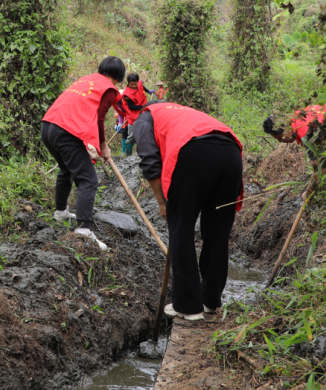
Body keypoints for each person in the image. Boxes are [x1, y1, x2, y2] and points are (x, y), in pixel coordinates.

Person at [134, 101, 244, 320]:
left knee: (181, 229)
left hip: (194, 152)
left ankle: (188, 306)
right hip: (231, 153)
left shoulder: (145, 118)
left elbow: (150, 162)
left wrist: (162, 202)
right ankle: (210, 301)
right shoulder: (182, 112)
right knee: (218, 232)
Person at [40, 56, 127, 252]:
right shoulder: (108, 89)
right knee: (88, 180)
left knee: (66, 169)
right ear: (119, 77)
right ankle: (83, 232)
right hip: (65, 131)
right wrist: (103, 145)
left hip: (48, 127)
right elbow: (99, 118)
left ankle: (61, 212)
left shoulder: (86, 80)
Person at [113, 72, 155, 156]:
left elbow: (142, 87)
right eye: (131, 84)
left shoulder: (139, 83)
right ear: (128, 83)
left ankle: (143, 153)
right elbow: (131, 107)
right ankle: (127, 154)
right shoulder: (127, 94)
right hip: (132, 116)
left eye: (134, 84)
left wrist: (148, 91)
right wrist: (143, 106)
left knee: (145, 133)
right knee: (131, 137)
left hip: (142, 113)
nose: (133, 86)